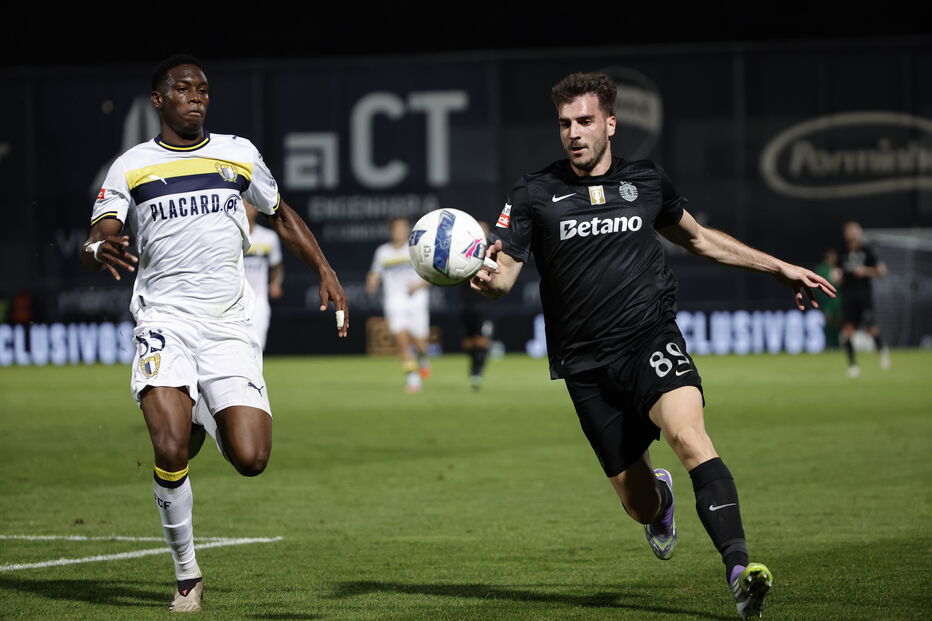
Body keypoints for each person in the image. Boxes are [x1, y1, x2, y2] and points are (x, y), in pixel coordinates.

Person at [471, 72, 835, 619]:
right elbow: (503, 279)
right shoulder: (533, 192)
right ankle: (660, 501)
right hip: (585, 365)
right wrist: (482, 276)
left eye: (585, 121)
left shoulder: (645, 181)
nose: (573, 133)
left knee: (689, 436)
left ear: (610, 124)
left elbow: (702, 239)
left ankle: (740, 571)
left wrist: (778, 267)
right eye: (565, 123)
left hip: (650, 338)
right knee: (639, 505)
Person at [80, 55, 349, 612]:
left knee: (252, 458)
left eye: (203, 89)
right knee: (169, 445)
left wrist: (323, 266)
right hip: (165, 321)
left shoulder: (239, 153)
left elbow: (279, 213)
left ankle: (202, 409)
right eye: (183, 89)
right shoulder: (131, 166)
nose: (196, 96)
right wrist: (98, 245)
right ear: (159, 100)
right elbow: (104, 227)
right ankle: (187, 575)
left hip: (228, 326)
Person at [366, 217, 431, 393]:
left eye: (402, 228)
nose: (399, 231)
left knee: (420, 344)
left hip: (416, 300)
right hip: (394, 302)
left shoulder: (416, 249)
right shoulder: (383, 252)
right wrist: (372, 282)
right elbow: (375, 273)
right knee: (402, 342)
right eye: (396, 228)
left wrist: (418, 285)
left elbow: (433, 274)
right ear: (391, 231)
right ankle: (413, 379)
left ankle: (423, 359)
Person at [836, 221, 890, 377]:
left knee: (871, 328)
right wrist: (837, 276)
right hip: (848, 297)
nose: (851, 233)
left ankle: (882, 351)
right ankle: (853, 366)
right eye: (848, 231)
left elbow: (881, 271)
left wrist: (865, 271)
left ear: (859, 233)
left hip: (864, 296)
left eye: (854, 231)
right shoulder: (842, 252)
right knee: (847, 331)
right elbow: (838, 272)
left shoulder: (867, 251)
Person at [244, 200, 284, 350]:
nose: (247, 208)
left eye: (249, 204)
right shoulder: (229, 237)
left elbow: (277, 265)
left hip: (259, 300)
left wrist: (275, 283)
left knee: (257, 345)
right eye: (243, 204)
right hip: (234, 301)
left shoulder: (268, 237)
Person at [460, 221, 495, 390]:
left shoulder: (493, 254)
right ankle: (473, 368)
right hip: (467, 303)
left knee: (482, 340)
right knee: (469, 342)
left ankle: (477, 373)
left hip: (486, 303)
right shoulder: (462, 253)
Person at [814, 248, 843, 348]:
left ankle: (837, 344)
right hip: (826, 301)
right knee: (828, 321)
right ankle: (830, 344)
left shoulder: (839, 268)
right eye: (832, 256)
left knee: (838, 322)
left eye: (835, 256)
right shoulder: (822, 269)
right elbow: (817, 287)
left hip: (837, 301)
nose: (834, 258)